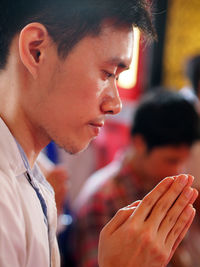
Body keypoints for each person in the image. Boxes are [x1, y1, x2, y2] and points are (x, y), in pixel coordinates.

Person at [0, 1, 198, 267]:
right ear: (37, 51)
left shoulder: (33, 177)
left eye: (117, 78)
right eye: (106, 73)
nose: (115, 105)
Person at [73, 89, 200, 267]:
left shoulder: (159, 188)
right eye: (171, 160)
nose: (178, 170)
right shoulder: (102, 199)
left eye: (183, 161)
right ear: (140, 143)